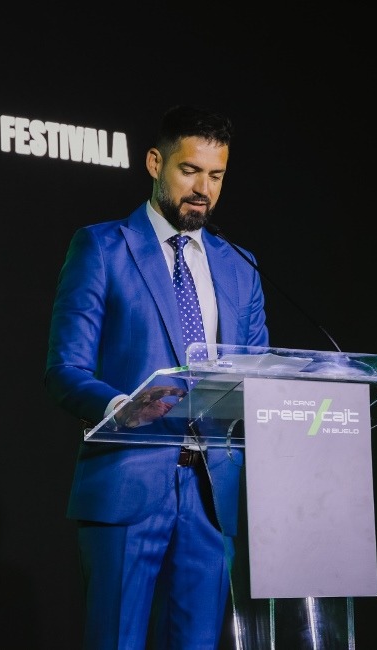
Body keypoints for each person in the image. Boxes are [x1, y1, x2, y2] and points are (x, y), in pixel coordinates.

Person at [44, 104, 269, 649]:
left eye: (216, 176)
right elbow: (65, 368)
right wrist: (121, 408)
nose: (203, 190)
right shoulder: (102, 247)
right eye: (190, 171)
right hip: (127, 482)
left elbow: (259, 376)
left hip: (212, 495)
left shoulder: (241, 267)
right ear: (154, 163)